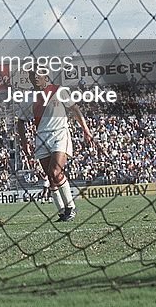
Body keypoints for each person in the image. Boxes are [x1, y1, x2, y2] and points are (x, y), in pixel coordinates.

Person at [16, 70, 98, 222]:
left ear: (46, 77)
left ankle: (70, 207)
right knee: (50, 177)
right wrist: (24, 142)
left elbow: (75, 109)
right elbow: (20, 121)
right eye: (32, 76)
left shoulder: (59, 91)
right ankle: (62, 211)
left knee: (55, 172)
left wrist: (86, 130)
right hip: (41, 136)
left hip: (59, 133)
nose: (35, 78)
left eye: (38, 76)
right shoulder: (29, 97)